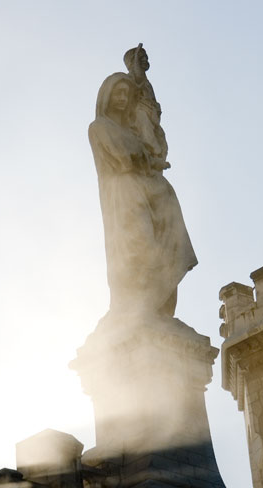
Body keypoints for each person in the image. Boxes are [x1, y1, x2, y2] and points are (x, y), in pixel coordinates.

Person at [88, 71, 196, 317]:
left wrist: (141, 81)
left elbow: (152, 135)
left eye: (127, 93)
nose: (123, 98)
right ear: (107, 96)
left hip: (153, 195)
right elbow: (124, 159)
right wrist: (148, 160)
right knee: (138, 247)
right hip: (125, 196)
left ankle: (158, 311)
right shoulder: (99, 127)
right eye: (118, 92)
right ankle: (135, 310)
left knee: (166, 249)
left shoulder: (135, 131)